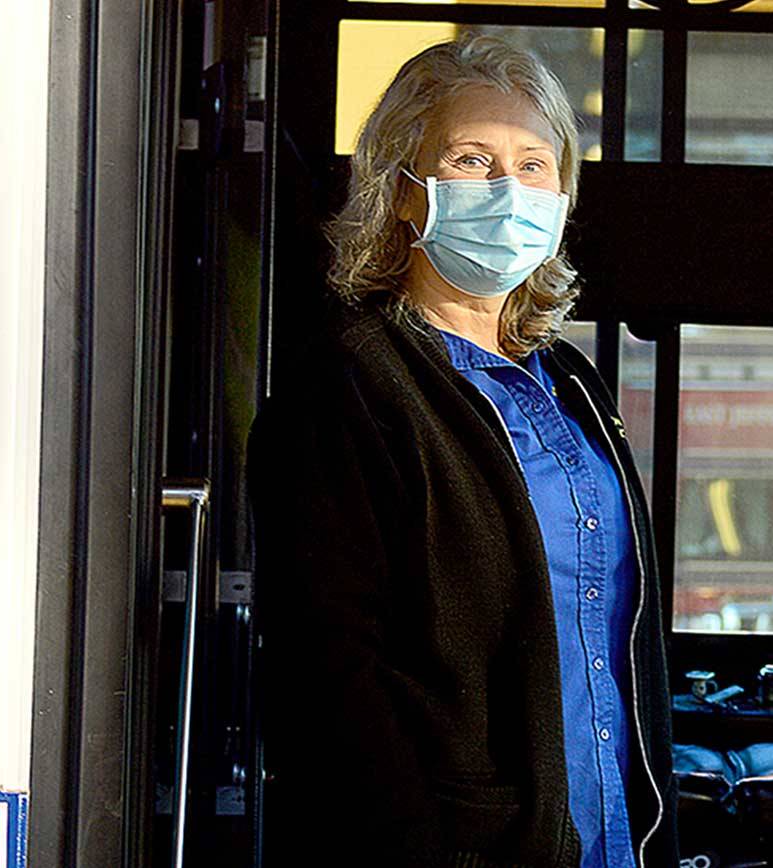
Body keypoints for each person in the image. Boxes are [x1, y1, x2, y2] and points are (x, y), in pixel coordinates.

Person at [248, 34, 677, 868]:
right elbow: (330, 680)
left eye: (534, 165)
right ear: (406, 192)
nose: (509, 190)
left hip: (608, 840)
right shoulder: (348, 390)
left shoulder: (573, 386)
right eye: (473, 160)